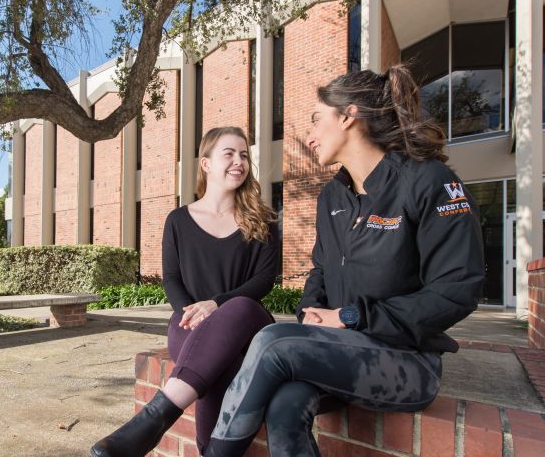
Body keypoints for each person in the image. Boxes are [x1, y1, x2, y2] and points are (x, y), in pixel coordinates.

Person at [202, 66, 485, 457]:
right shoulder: (332, 198)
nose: (310, 136)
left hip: (407, 362)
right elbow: (320, 270)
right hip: (340, 347)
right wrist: (312, 310)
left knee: (271, 341)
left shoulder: (429, 181)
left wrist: (353, 317)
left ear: (349, 116)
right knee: (285, 403)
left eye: (317, 120)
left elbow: (457, 290)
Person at [91, 126, 280, 457]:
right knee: (212, 360)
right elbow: (171, 278)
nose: (239, 162)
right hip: (188, 323)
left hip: (247, 325)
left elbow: (263, 280)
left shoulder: (263, 220)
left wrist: (215, 305)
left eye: (244, 155)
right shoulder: (178, 220)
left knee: (239, 308)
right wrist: (191, 312)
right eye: (229, 154)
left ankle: (151, 421)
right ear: (205, 164)